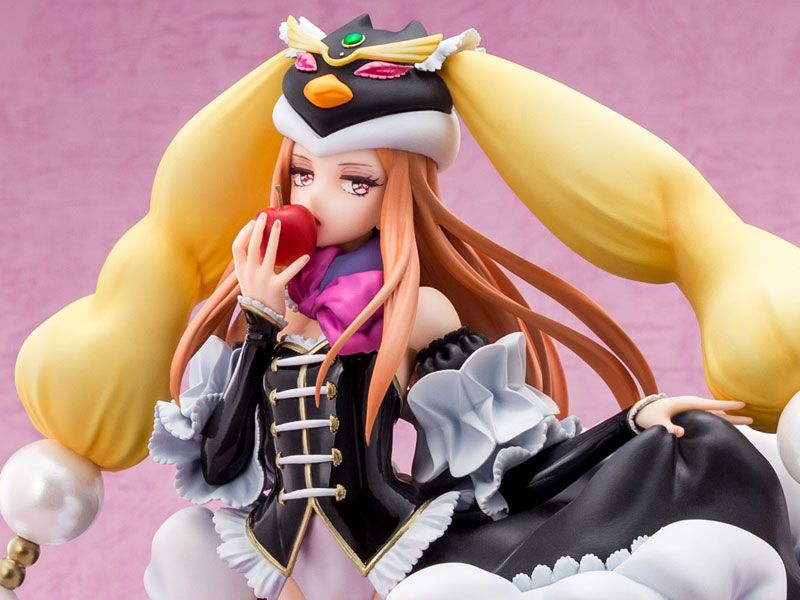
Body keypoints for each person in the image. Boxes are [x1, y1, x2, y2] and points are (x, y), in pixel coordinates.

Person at [140, 14, 799, 600]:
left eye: (355, 181)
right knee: (181, 544)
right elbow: (221, 465)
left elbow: (510, 467)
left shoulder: (418, 312)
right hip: (272, 557)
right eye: (303, 173)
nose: (314, 199)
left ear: (396, 194)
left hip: (388, 558)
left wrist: (629, 425)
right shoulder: (272, 307)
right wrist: (259, 324)